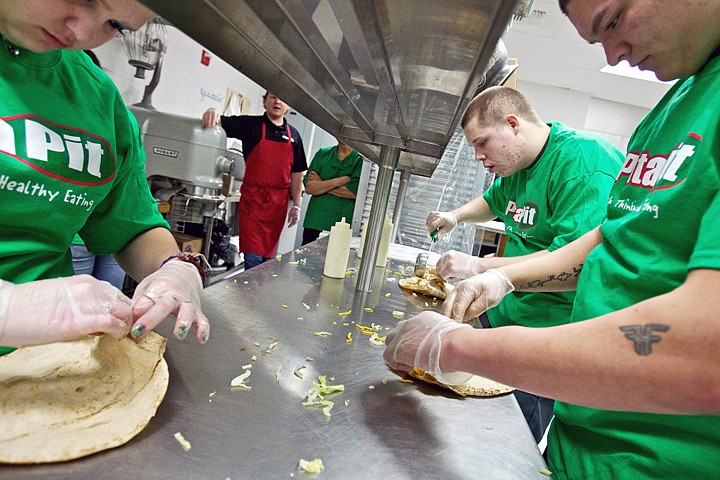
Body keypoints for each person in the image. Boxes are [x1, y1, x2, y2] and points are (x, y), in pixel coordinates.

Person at [384, 0, 720, 478]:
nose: (612, 54)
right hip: (581, 442)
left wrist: (453, 348)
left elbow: (703, 348)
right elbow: (615, 237)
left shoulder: (583, 161)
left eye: (613, 20)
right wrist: (503, 278)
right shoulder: (675, 105)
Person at [0, 0, 210, 354]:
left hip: (41, 367)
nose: (80, 31)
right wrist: (8, 309)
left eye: (114, 24)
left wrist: (175, 269)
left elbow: (132, 226)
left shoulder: (97, 98)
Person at [426, 85, 624, 442]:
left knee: (504, 436)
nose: (478, 157)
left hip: (544, 332)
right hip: (501, 313)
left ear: (513, 124)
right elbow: (493, 201)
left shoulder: (583, 164)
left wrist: (481, 268)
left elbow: (575, 262)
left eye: (482, 143)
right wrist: (455, 217)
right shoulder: (514, 164)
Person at [202, 92, 307, 269]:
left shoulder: (294, 136)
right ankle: (249, 293)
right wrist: (212, 111)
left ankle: (256, 292)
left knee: (267, 261)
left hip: (277, 206)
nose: (277, 101)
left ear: (288, 106)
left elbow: (297, 174)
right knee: (253, 259)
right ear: (265, 101)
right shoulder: (250, 125)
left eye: (282, 98)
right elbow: (220, 121)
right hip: (253, 202)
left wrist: (297, 205)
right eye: (273, 96)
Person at [69, 50, 127, 291]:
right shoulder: (113, 123)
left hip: (98, 238)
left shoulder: (115, 123)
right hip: (104, 238)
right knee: (102, 308)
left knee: (94, 312)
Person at [301, 140, 363, 245]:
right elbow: (310, 188)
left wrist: (321, 184)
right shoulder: (323, 153)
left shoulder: (360, 160)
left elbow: (354, 193)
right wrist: (338, 182)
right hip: (315, 221)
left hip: (342, 225)